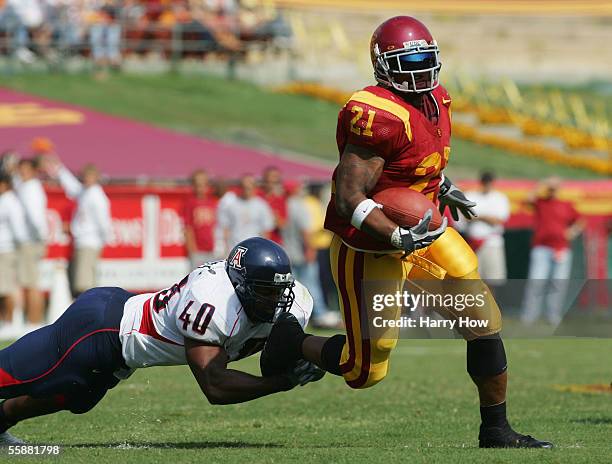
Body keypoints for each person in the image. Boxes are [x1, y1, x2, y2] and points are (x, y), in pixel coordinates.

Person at [261, 16, 552, 449]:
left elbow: (418, 160)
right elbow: (348, 196)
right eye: (406, 60)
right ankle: (291, 341)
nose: (417, 69)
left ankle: (495, 430)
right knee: (365, 371)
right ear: (382, 66)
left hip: (424, 229)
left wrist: (442, 187)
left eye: (423, 58)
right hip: (371, 243)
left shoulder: (437, 97)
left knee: (484, 323)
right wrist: (395, 237)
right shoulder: (375, 113)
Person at [0, 237, 322, 445]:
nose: (275, 299)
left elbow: (283, 340)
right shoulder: (211, 300)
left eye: (279, 290)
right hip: (100, 330)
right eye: (265, 290)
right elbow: (216, 386)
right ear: (240, 284)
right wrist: (282, 382)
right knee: (19, 376)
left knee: (73, 397)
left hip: (118, 348)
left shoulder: (288, 303)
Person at [44, 157, 112, 297]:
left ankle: (88, 316)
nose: (85, 178)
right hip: (84, 242)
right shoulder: (86, 192)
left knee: (85, 285)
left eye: (89, 175)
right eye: (84, 175)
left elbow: (103, 222)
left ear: (96, 177)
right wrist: (60, 169)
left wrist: (102, 241)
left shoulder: (96, 195)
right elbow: (72, 186)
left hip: (90, 243)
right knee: (83, 282)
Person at [521, 177, 584, 325]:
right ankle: (529, 315)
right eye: (551, 187)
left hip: (561, 249)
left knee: (558, 284)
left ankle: (553, 315)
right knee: (537, 281)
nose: (552, 190)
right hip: (541, 248)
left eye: (555, 187)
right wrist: (542, 183)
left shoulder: (566, 205)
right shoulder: (541, 202)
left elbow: (580, 221)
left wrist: (572, 232)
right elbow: (527, 199)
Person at [12, 157, 48, 325]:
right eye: (21, 169)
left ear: (34, 171)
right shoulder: (29, 187)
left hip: (30, 242)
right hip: (31, 240)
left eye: (26, 169)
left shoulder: (30, 188)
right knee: (28, 283)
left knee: (31, 284)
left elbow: (35, 217)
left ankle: (34, 322)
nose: (22, 172)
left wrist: (38, 237)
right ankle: (32, 321)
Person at [457, 171, 510, 282]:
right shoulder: (471, 195)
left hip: (491, 242)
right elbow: (464, 218)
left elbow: (498, 220)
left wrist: (477, 217)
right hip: (472, 242)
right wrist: (486, 217)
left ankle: (489, 300)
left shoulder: (499, 198)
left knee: (491, 281)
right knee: (471, 280)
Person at [216, 174, 274, 254]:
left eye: (249, 188)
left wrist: (265, 250)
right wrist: (225, 249)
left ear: (254, 188)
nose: (246, 190)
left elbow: (266, 231)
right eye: (244, 187)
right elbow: (225, 228)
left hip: (254, 251)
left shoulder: (261, 205)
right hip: (234, 249)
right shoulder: (232, 204)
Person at [0, 174, 28, 325]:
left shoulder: (10, 201)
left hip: (7, 249)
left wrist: (19, 245)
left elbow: (18, 227)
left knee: (6, 289)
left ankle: (9, 323)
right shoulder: (6, 200)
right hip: (4, 248)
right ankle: (5, 322)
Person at [184, 169, 218, 268]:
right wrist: (192, 250)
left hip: (212, 249)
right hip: (198, 251)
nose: (201, 188)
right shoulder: (190, 203)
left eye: (203, 184)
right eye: (198, 185)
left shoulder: (213, 202)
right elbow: (188, 228)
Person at [260, 166, 287, 244]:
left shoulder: (280, 200)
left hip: (273, 243)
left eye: (276, 178)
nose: (273, 180)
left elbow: (282, 225)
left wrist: (274, 215)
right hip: (256, 240)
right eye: (271, 177)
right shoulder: (256, 195)